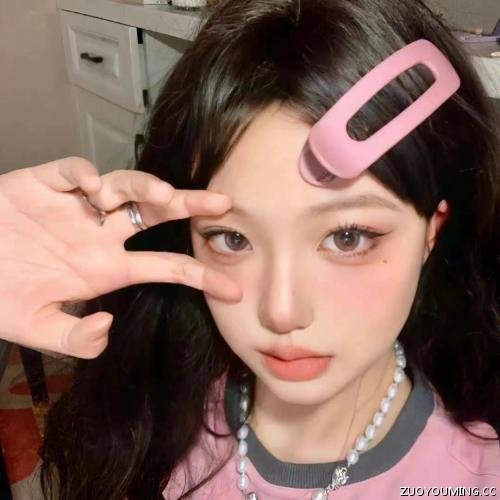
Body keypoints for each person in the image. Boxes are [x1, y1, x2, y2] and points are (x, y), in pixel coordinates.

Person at [2, 0, 499, 498]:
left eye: (347, 237)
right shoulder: (153, 417)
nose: (281, 313)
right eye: (232, 238)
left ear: (432, 230)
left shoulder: (477, 479)